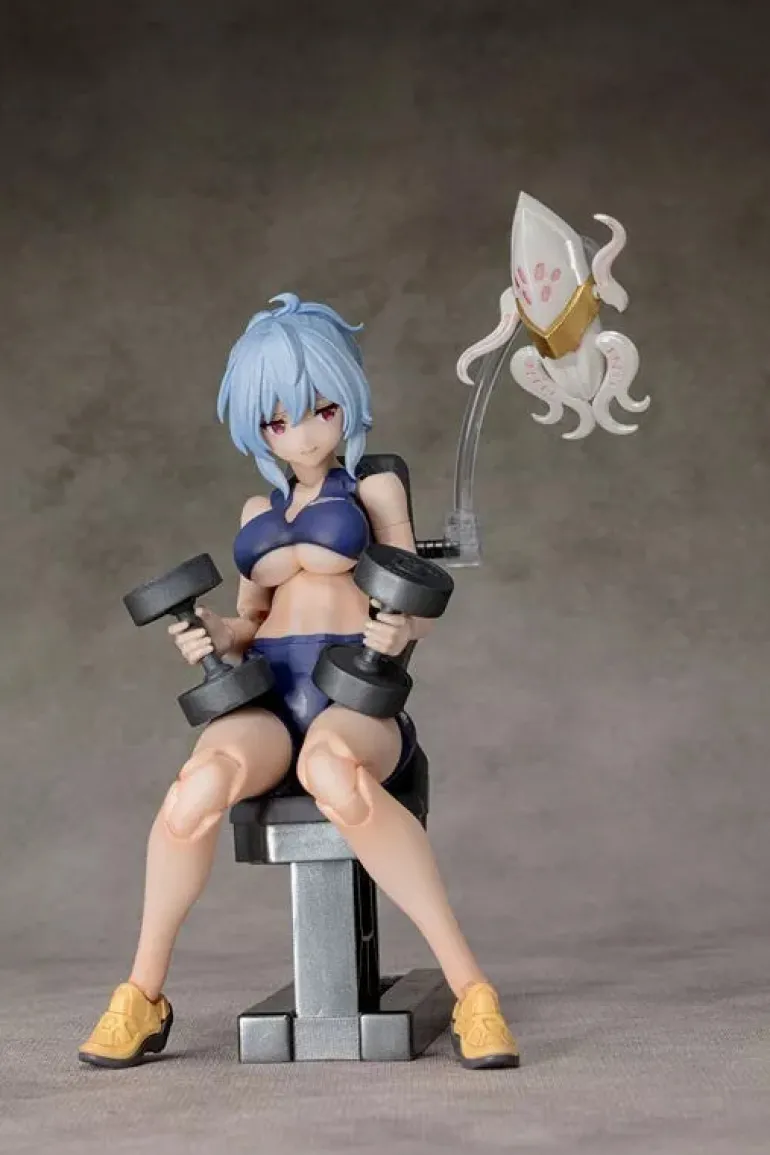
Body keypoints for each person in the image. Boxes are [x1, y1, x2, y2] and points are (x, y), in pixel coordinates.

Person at [78, 293, 519, 1071]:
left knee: (331, 770)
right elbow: (248, 619)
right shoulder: (259, 507)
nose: (302, 432)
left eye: (320, 409)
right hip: (268, 691)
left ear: (347, 402)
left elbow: (413, 593)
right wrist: (208, 630)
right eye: (277, 420)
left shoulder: (373, 489)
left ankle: (471, 990)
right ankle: (142, 995)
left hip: (353, 689)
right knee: (195, 789)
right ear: (260, 429)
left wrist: (400, 631)